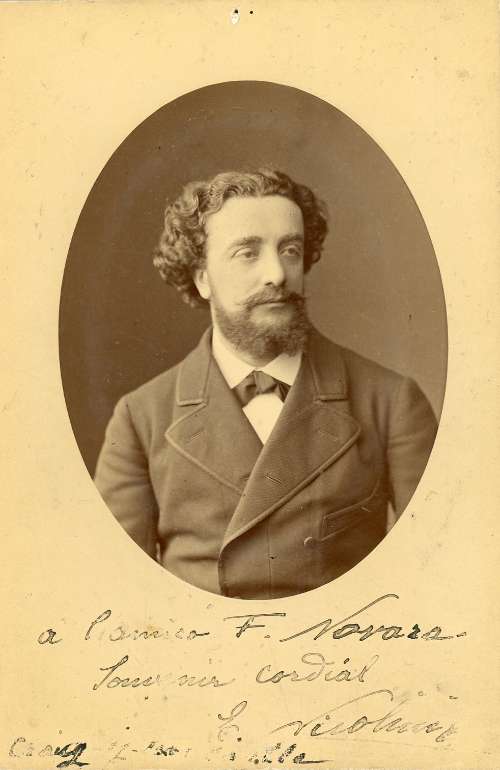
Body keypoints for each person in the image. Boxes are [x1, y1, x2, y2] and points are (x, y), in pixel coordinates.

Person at [94, 168, 437, 600]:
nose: (277, 273)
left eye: (290, 250)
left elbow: (435, 571)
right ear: (202, 277)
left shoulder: (390, 402)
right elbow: (117, 592)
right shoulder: (140, 418)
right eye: (248, 253)